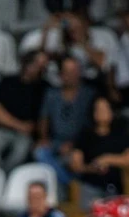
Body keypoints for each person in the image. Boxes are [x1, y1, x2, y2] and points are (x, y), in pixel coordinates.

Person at [0, 50, 48, 172]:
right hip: (3, 130)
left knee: (21, 150)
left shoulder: (44, 87)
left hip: (26, 136)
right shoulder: (9, 81)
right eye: (36, 64)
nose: (39, 69)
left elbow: (44, 117)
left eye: (43, 66)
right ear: (27, 63)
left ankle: (6, 176)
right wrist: (19, 125)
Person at [35, 56, 96, 188]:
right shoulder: (52, 94)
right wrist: (44, 138)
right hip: (56, 142)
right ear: (61, 74)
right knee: (40, 152)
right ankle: (71, 185)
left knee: (75, 160)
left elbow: (92, 126)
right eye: (67, 71)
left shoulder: (88, 95)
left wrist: (75, 145)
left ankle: (70, 187)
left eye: (74, 71)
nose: (71, 75)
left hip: (80, 144)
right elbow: (44, 118)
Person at [70, 96, 129, 211]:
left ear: (112, 111)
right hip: (91, 185)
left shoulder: (121, 133)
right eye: (98, 109)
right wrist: (93, 168)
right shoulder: (85, 135)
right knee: (91, 211)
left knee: (114, 212)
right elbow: (76, 165)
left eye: (105, 109)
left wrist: (106, 159)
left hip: (114, 186)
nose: (101, 112)